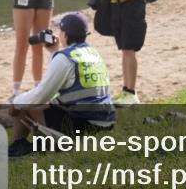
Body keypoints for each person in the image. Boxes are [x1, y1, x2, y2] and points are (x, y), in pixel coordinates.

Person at [8, 11, 115, 157]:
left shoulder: (65, 58)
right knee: (44, 103)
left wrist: (16, 103)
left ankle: (26, 146)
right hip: (105, 121)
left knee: (28, 104)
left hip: (84, 123)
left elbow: (40, 95)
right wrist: (53, 51)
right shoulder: (93, 53)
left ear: (65, 34)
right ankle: (31, 143)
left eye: (61, 31)